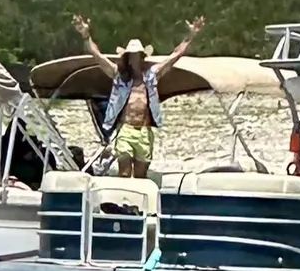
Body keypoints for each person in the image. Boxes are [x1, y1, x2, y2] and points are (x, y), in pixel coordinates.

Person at [72, 13, 206, 178]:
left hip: (144, 130)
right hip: (126, 129)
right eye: (131, 56)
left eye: (137, 55)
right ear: (127, 59)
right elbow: (97, 56)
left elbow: (175, 56)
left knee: (141, 175)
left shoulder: (151, 75)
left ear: (142, 57)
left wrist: (191, 36)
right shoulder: (119, 75)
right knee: (124, 173)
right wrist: (85, 35)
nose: (134, 59)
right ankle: (122, 202)